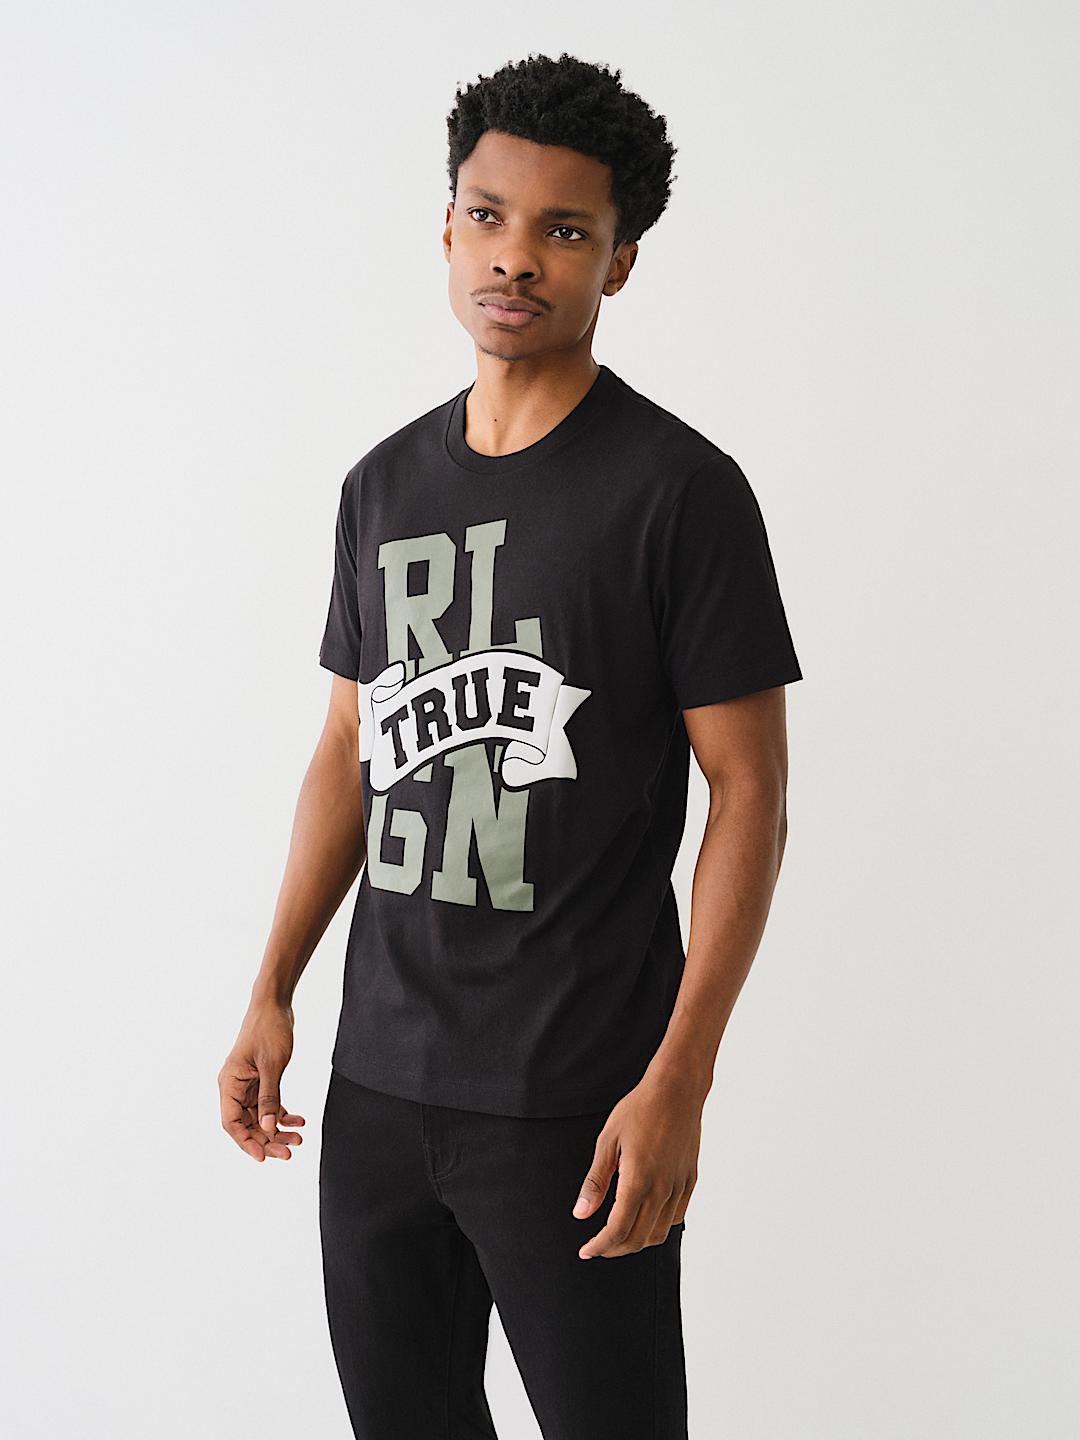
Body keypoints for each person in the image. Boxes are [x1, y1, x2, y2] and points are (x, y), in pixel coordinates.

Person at [218, 51, 803, 1440]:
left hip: (576, 1095)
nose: (516, 257)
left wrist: (678, 1081)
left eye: (565, 230)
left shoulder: (681, 493)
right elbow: (346, 752)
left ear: (620, 263)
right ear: (446, 227)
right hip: (378, 1086)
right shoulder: (381, 486)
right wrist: (272, 988)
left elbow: (750, 795)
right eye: (487, 215)